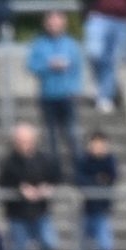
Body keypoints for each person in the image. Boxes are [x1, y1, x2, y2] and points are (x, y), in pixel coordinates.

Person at [0, 122, 61, 250]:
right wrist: (20, 190)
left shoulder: (44, 159)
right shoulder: (9, 161)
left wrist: (47, 188)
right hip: (17, 214)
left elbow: (56, 177)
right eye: (20, 141)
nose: (24, 145)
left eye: (27, 141)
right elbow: (1, 183)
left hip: (40, 212)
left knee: (49, 244)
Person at [28, 11, 84, 172]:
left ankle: (79, 169)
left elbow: (77, 70)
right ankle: (54, 171)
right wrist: (48, 65)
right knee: (50, 136)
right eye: (51, 23)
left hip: (67, 95)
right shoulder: (39, 44)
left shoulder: (71, 45)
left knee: (72, 133)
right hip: (47, 95)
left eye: (57, 23)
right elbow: (31, 66)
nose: (54, 26)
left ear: (63, 24)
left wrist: (75, 89)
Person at [74, 131, 117, 250]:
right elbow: (80, 180)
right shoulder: (83, 160)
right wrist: (97, 180)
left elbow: (112, 178)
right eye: (96, 143)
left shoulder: (109, 160)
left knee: (105, 247)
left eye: (102, 144)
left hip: (101, 212)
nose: (98, 147)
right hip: (84, 212)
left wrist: (96, 180)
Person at [82, 0, 126, 113]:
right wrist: (86, 12)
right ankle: (96, 83)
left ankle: (104, 96)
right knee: (94, 52)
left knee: (112, 61)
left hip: (123, 19)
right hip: (98, 15)